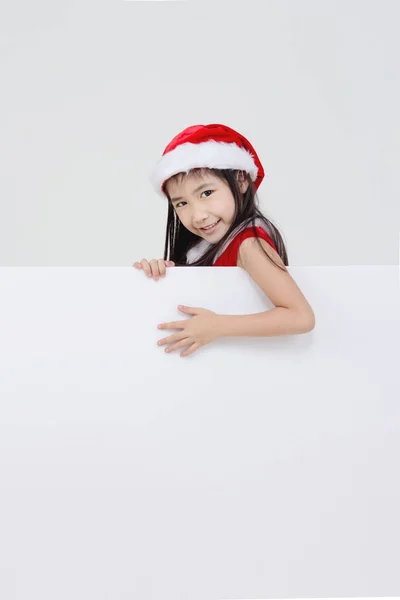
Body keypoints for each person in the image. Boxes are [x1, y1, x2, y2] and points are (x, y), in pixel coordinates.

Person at [133, 123, 315, 357]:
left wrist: (217, 326)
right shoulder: (206, 247)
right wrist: (165, 274)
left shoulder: (248, 244)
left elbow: (301, 316)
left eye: (206, 193)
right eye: (182, 203)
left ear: (240, 181)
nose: (197, 215)